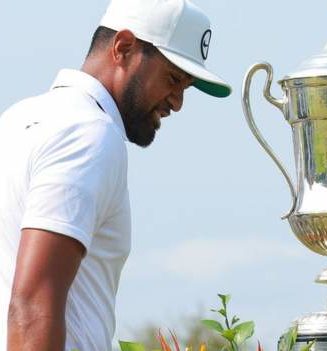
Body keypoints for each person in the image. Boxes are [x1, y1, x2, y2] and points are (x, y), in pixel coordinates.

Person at [0, 0, 231, 350]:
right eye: (173, 79)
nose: (178, 102)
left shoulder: (15, 120)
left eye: (186, 86)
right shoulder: (88, 132)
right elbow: (33, 304)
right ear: (123, 48)